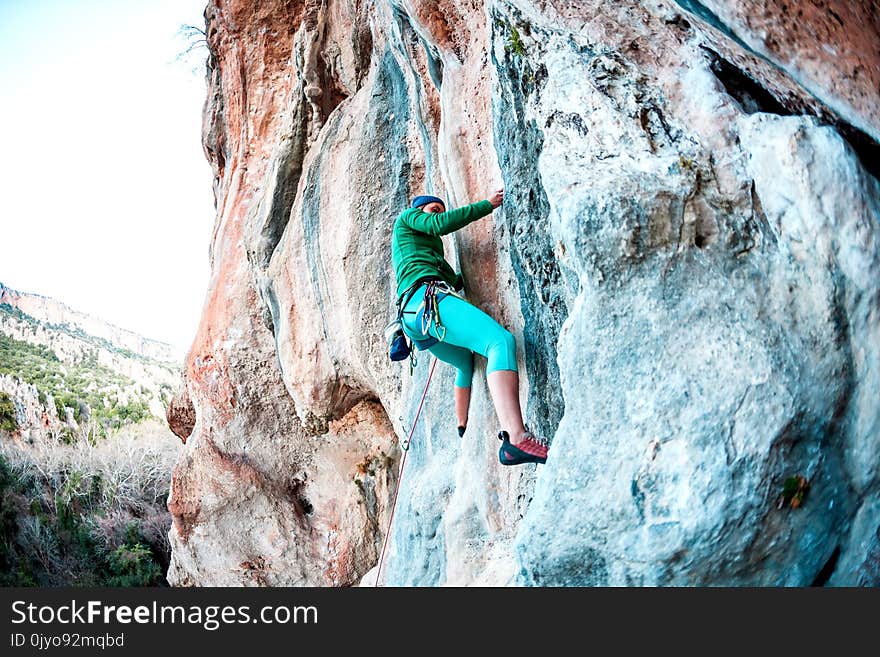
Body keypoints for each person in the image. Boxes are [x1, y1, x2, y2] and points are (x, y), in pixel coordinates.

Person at [390, 189, 549, 465]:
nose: (437, 215)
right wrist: (488, 205)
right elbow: (438, 225)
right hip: (426, 301)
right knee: (499, 343)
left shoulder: (431, 255)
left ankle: (461, 423)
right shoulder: (407, 218)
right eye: (432, 209)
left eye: (441, 209)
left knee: (465, 362)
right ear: (419, 210)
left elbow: (456, 279)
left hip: (413, 319)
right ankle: (517, 438)